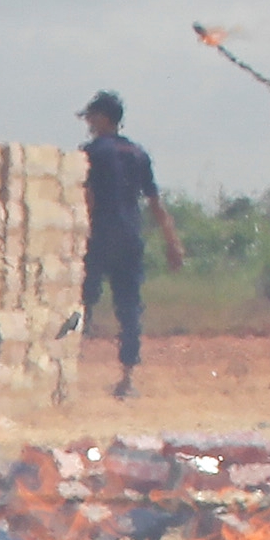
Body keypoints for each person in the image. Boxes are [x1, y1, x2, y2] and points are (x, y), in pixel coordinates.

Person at [78, 91, 187, 400]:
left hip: (98, 235)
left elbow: (87, 198)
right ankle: (127, 379)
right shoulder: (138, 154)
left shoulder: (89, 153)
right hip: (129, 237)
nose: (88, 122)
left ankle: (68, 369)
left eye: (90, 116)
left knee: (83, 301)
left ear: (102, 118)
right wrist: (172, 241)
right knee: (128, 307)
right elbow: (154, 202)